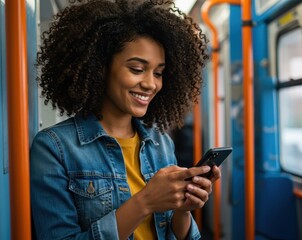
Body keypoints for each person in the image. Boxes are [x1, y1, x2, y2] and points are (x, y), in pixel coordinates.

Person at [30, 0, 221, 239]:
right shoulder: (54, 148)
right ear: (101, 68)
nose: (151, 84)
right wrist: (145, 201)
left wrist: (183, 210)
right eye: (137, 69)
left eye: (158, 73)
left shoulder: (160, 143)